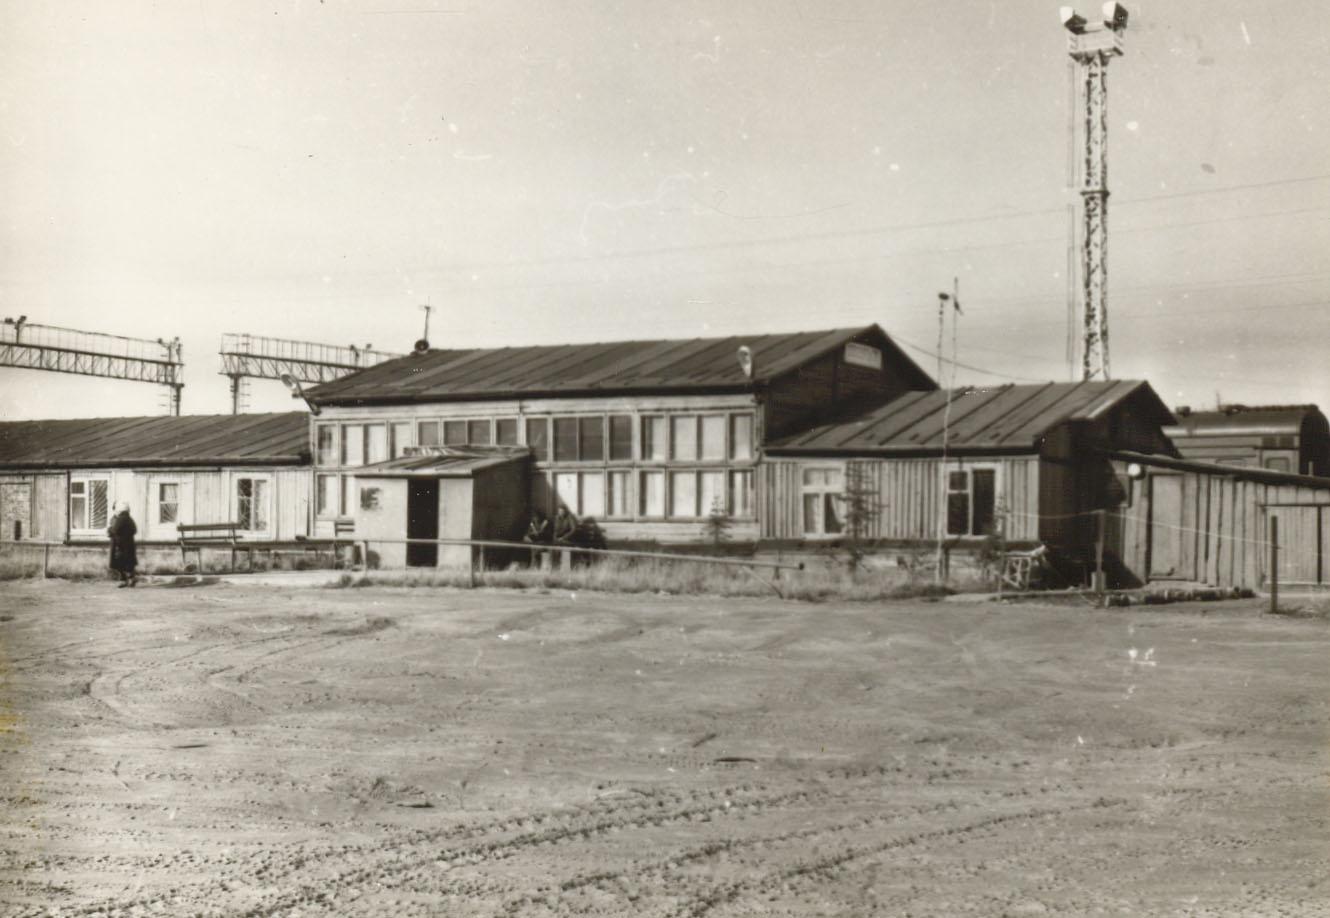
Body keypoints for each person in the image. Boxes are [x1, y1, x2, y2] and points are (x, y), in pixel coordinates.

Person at [107, 501, 138, 588]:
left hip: (120, 544)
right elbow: (134, 530)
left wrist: (110, 531)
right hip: (124, 544)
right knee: (126, 562)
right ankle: (129, 579)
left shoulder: (122, 518)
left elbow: (115, 529)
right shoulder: (126, 518)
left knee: (120, 562)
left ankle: (126, 579)